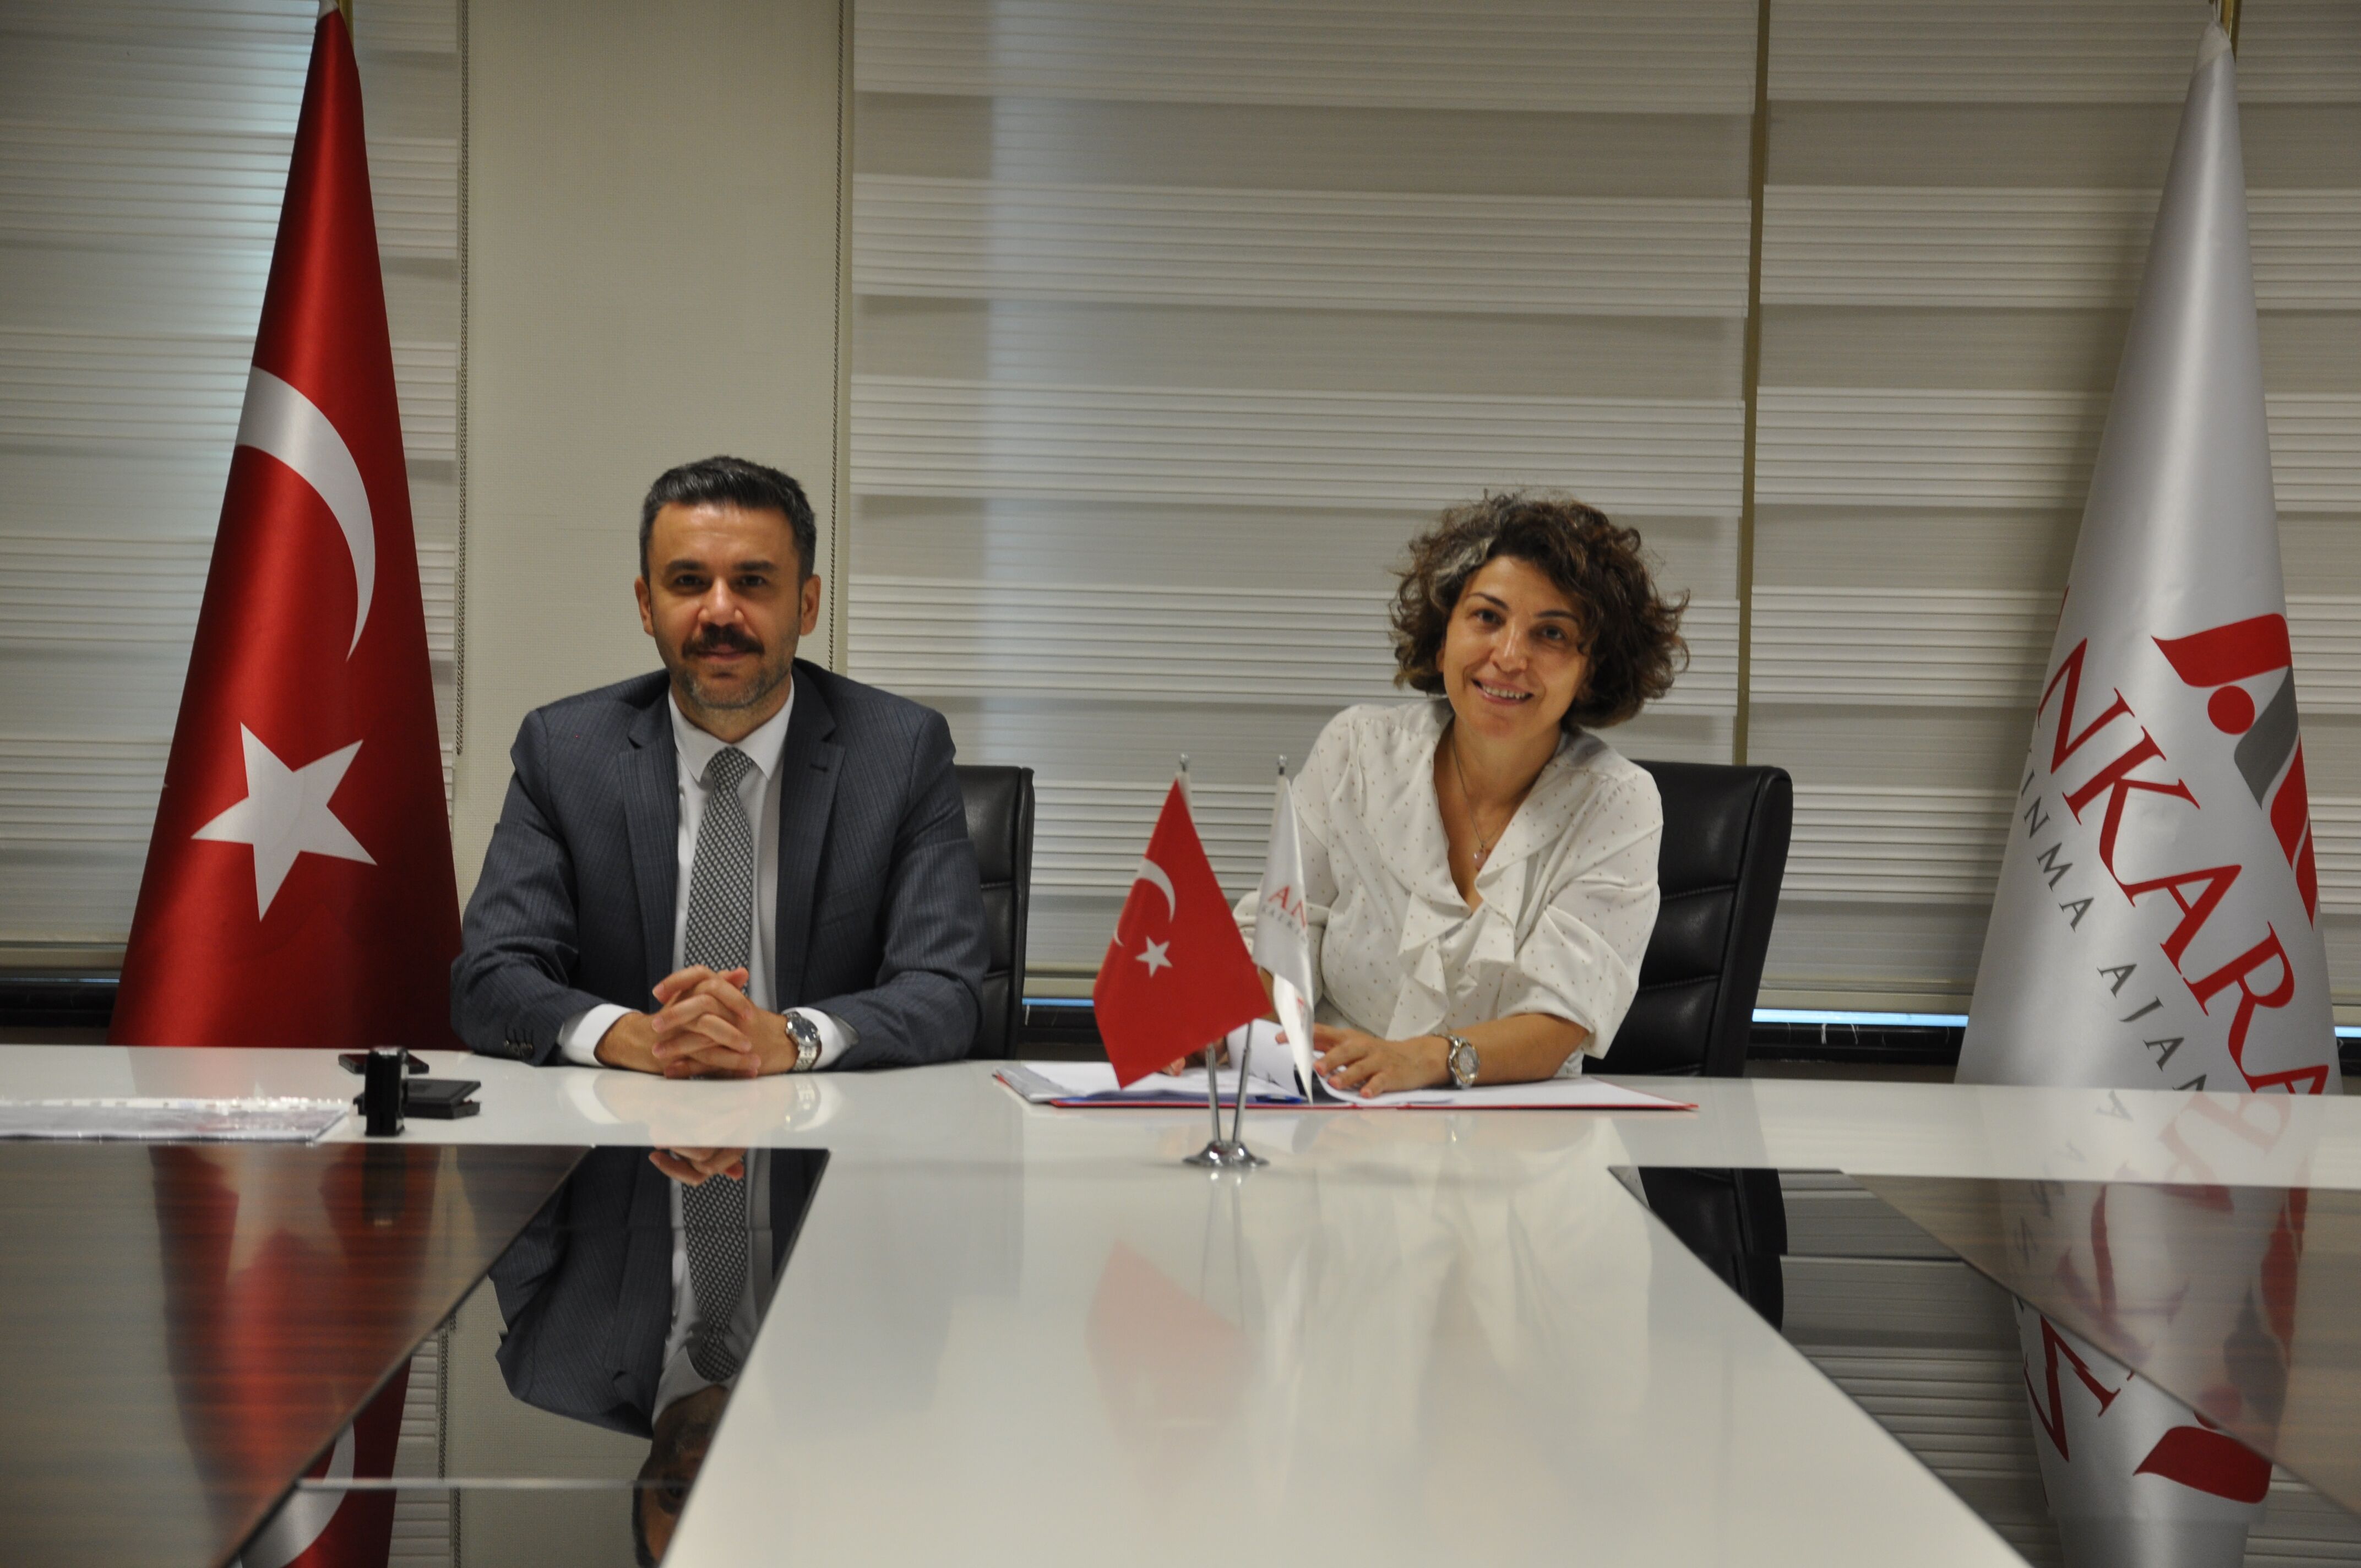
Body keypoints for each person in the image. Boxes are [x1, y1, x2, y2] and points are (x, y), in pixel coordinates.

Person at [451, 455, 988, 1074]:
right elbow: (490, 976)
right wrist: (638, 1038)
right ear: (646, 605)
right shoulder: (565, 752)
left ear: (807, 604)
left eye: (753, 581)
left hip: (826, 1117)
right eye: (688, 582)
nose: (720, 612)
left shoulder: (900, 752)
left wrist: (790, 1038)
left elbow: (946, 988)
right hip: (619, 1115)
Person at [1239, 492, 1684, 1097]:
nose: (1509, 656)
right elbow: (1278, 940)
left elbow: (1560, 1020)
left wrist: (1426, 1059)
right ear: (1443, 636)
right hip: (1335, 1112)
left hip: (1516, 1129)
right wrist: (1227, 1028)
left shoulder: (1618, 803)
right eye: (1487, 617)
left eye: (1551, 633)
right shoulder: (1355, 751)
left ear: (1591, 670)